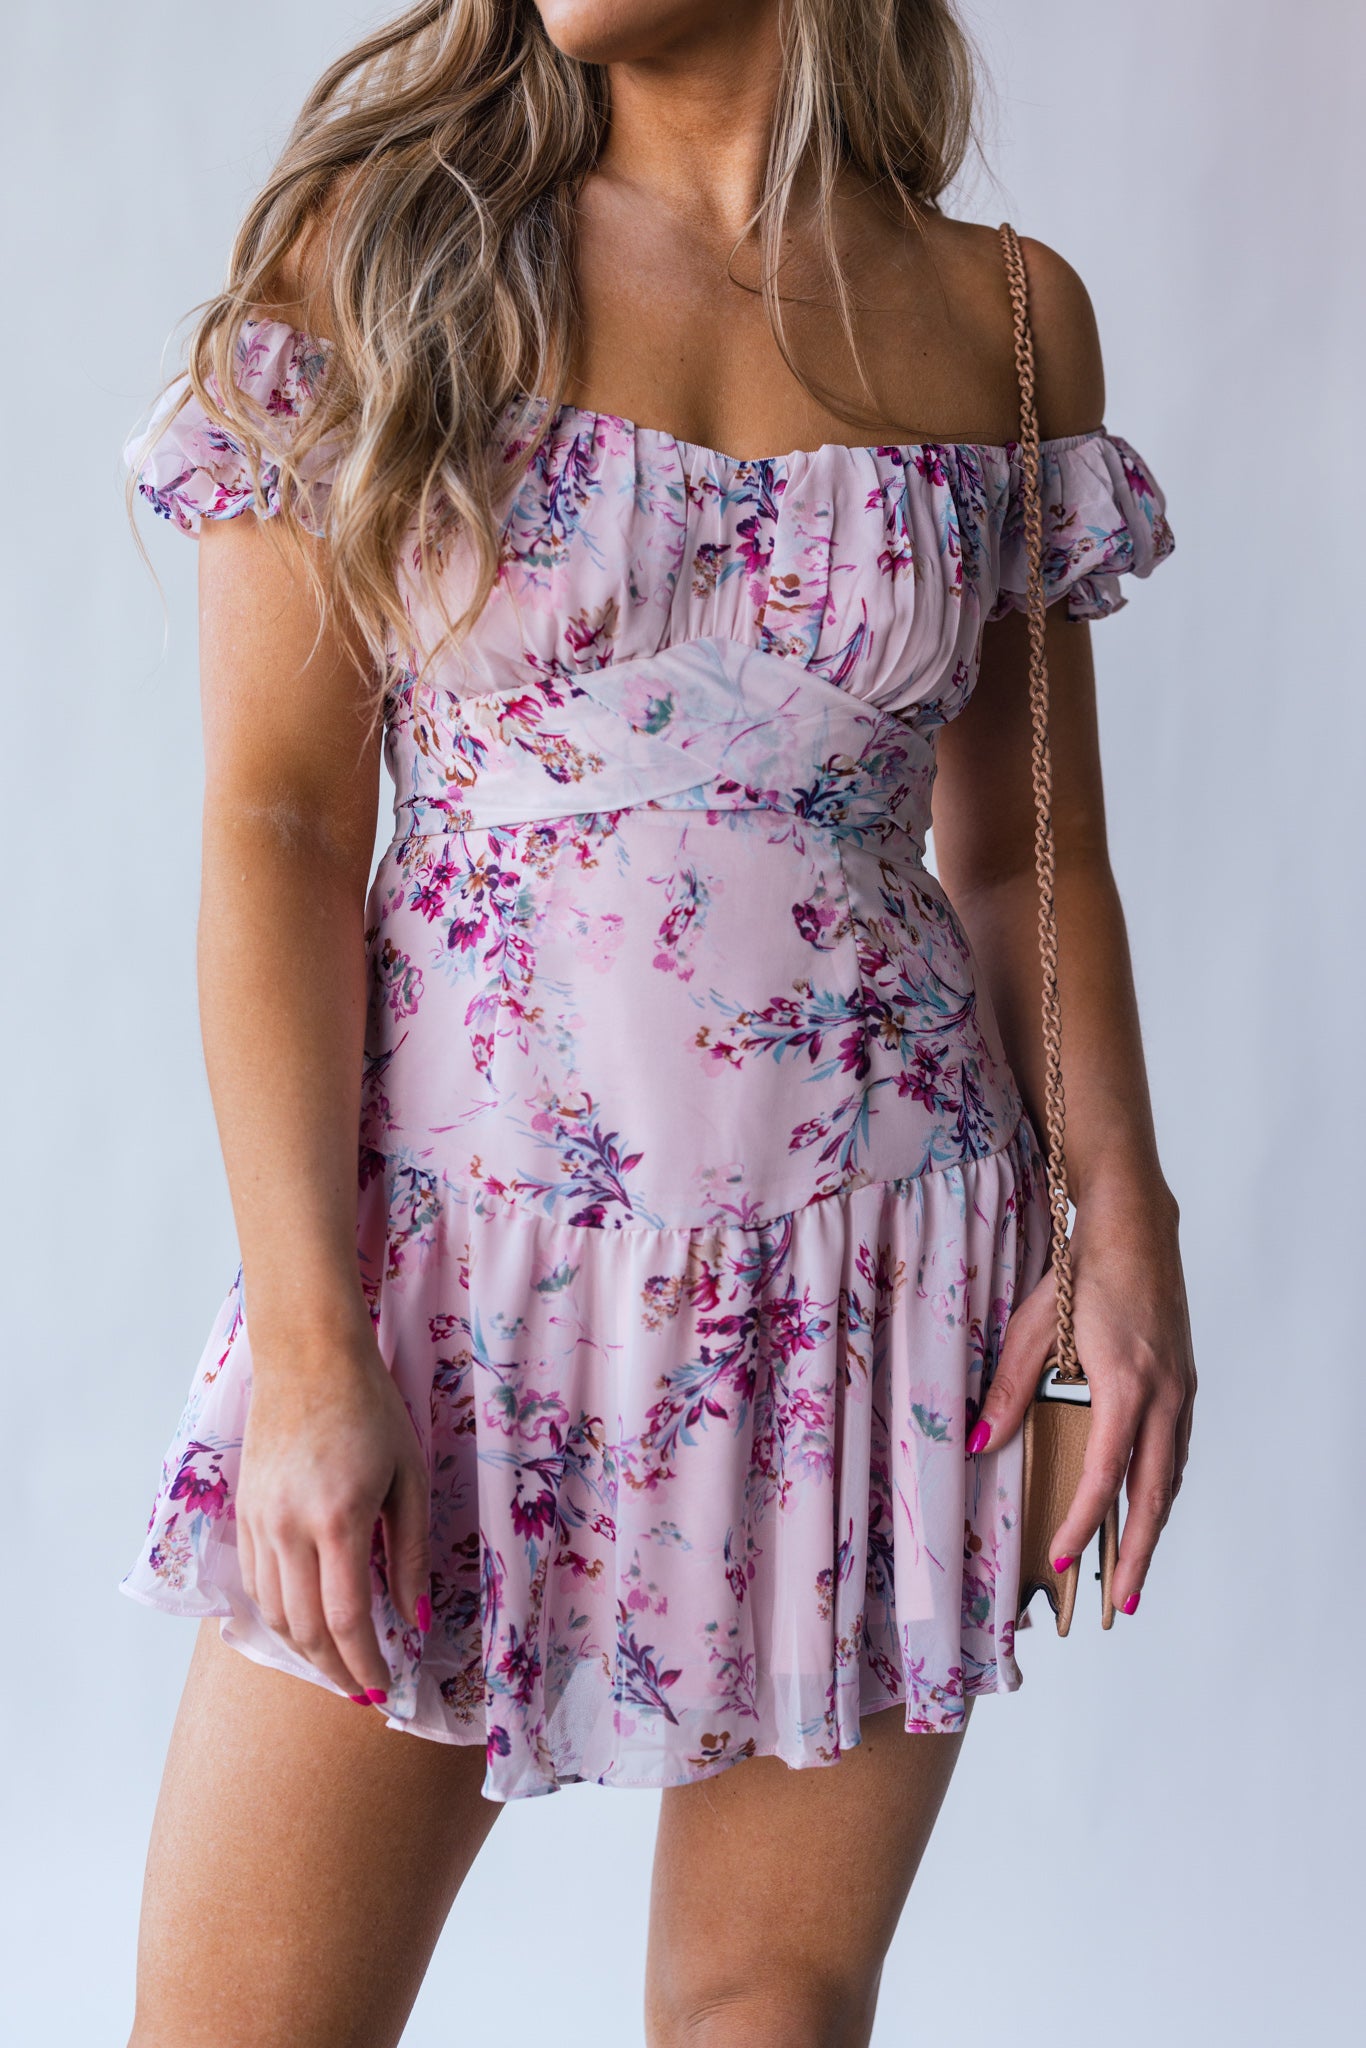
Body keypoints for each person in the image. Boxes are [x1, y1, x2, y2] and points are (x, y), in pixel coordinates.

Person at [120, 2, 1195, 2043]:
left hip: (878, 1284)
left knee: (765, 2010)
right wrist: (310, 1343)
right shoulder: (388, 252)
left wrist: (1117, 1220)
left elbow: (1024, 858)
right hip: (451, 1283)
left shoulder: (1006, 319)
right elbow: (278, 828)